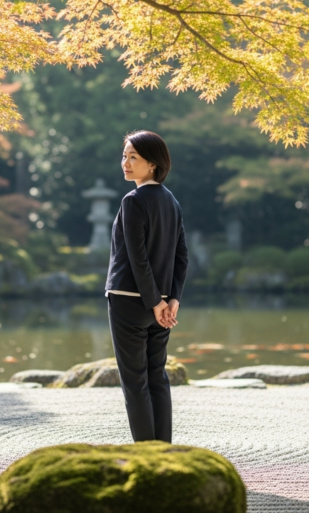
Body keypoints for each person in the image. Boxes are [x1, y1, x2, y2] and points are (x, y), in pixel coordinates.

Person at [105, 130, 188, 443]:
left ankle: (145, 458)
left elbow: (138, 259)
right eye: (124, 155)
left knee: (136, 384)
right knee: (157, 379)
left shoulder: (133, 200)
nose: (125, 162)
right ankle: (163, 454)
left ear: (153, 164)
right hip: (162, 306)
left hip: (130, 302)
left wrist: (156, 302)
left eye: (133, 157)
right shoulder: (172, 202)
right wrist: (172, 299)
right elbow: (183, 257)